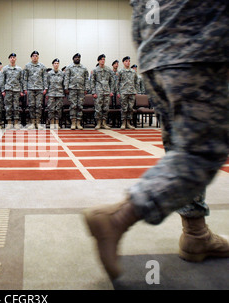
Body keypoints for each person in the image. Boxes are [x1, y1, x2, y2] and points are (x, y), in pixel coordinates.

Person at [83, 0, 228, 280]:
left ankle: (195, 232)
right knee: (202, 151)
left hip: (156, 49)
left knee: (181, 146)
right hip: (197, 41)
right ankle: (118, 217)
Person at [64, 53, 90, 130]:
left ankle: (78, 123)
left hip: (81, 89)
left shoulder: (84, 68)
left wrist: (86, 89)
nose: (77, 59)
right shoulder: (69, 67)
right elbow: (67, 78)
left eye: (78, 57)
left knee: (80, 106)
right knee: (73, 106)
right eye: (76, 57)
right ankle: (73, 122)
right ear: (73, 59)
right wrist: (66, 88)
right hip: (72, 89)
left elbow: (86, 79)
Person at [24, 51, 47, 129]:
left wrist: (45, 88)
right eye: (33, 56)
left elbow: (45, 78)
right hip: (30, 89)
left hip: (40, 89)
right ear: (31, 57)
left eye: (36, 56)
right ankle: (32, 122)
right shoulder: (27, 66)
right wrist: (25, 88)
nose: (35, 57)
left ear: (38, 57)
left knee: (39, 106)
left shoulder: (42, 66)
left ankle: (38, 122)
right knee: (31, 106)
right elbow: (25, 78)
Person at [1, 53, 24, 130]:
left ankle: (16, 123)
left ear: (16, 59)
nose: (12, 59)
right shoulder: (5, 69)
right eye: (11, 57)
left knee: (16, 107)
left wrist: (21, 90)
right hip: (8, 90)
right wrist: (2, 90)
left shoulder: (19, 69)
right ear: (9, 59)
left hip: (17, 90)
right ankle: (9, 123)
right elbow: (2, 80)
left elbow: (21, 80)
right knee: (8, 107)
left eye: (14, 57)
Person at [90, 54, 114, 129]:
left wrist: (111, 91)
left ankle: (104, 123)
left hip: (106, 91)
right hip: (98, 92)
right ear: (98, 61)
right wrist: (93, 92)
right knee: (98, 108)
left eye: (104, 59)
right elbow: (92, 82)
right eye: (101, 59)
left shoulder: (108, 69)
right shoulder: (95, 70)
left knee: (106, 108)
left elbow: (112, 81)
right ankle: (98, 123)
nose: (103, 61)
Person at [117, 56, 138, 129]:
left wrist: (136, 90)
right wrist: (118, 92)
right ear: (123, 62)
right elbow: (117, 82)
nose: (128, 62)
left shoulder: (133, 71)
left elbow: (136, 82)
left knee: (130, 108)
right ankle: (123, 123)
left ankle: (128, 123)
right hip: (123, 92)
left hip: (132, 92)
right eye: (126, 61)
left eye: (129, 61)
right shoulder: (120, 71)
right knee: (124, 108)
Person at [45, 59, 65, 130]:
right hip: (51, 93)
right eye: (55, 63)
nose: (56, 65)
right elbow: (46, 84)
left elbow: (64, 84)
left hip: (60, 94)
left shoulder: (62, 74)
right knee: (51, 109)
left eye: (57, 63)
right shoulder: (49, 74)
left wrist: (64, 93)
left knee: (58, 109)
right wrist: (47, 93)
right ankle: (52, 123)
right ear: (53, 65)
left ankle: (57, 123)